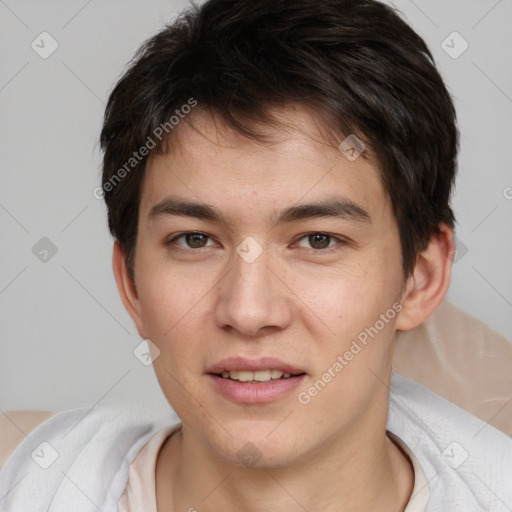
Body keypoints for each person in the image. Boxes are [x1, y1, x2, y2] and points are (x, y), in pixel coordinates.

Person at [1, 0, 510, 510]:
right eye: (195, 240)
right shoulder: (30, 484)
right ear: (131, 284)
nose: (248, 312)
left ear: (420, 278)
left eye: (317, 240)